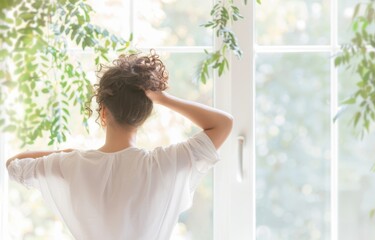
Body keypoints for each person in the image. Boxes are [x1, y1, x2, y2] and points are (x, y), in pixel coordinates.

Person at [5, 50, 233, 240]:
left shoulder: (73, 164)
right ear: (144, 115)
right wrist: (163, 99)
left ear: (103, 113)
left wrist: (66, 153)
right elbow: (223, 124)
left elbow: (14, 164)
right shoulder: (163, 164)